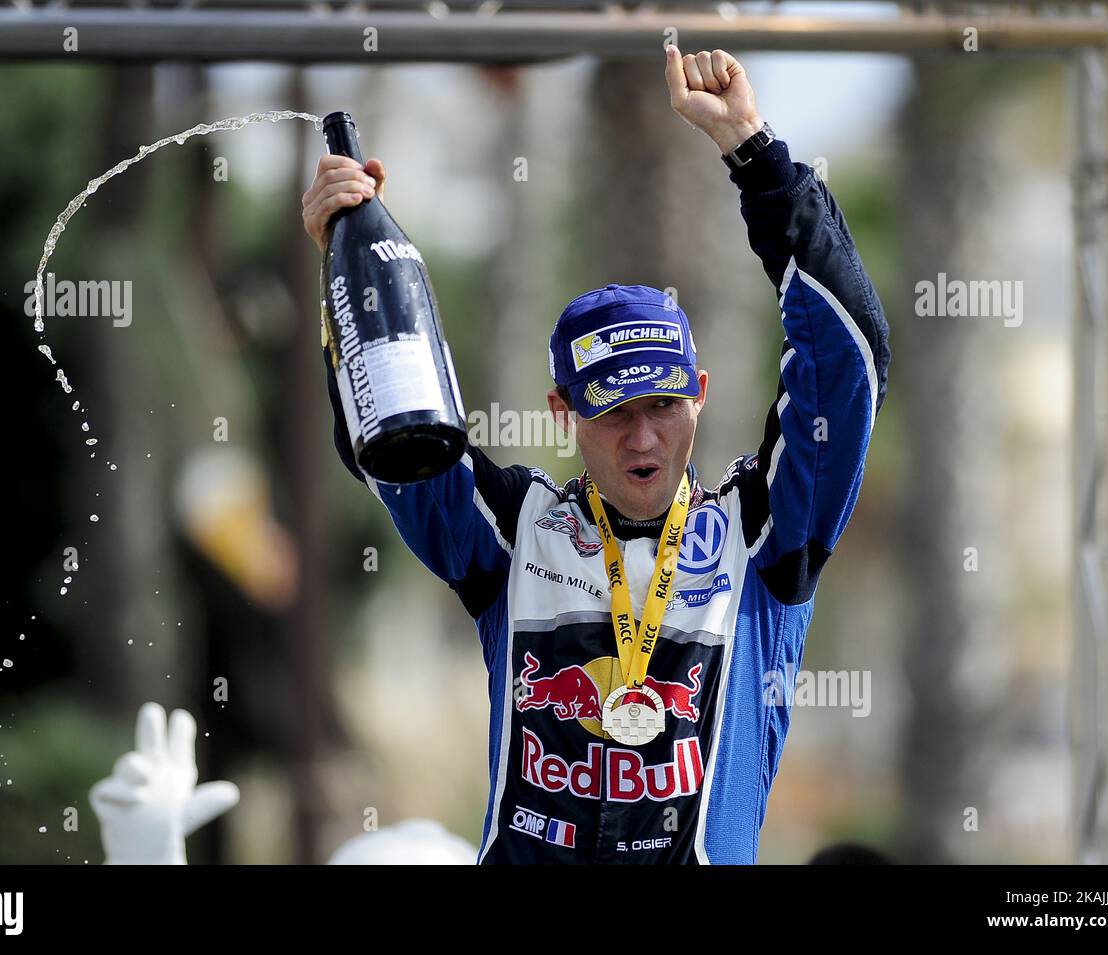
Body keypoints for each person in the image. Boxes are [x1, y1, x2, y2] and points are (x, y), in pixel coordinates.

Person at [302, 46, 891, 864]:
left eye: (663, 406)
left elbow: (849, 361)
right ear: (563, 412)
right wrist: (343, 253)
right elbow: (393, 441)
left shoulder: (764, 535)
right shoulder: (513, 530)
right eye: (614, 413)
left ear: (702, 396)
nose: (644, 437)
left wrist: (755, 156)